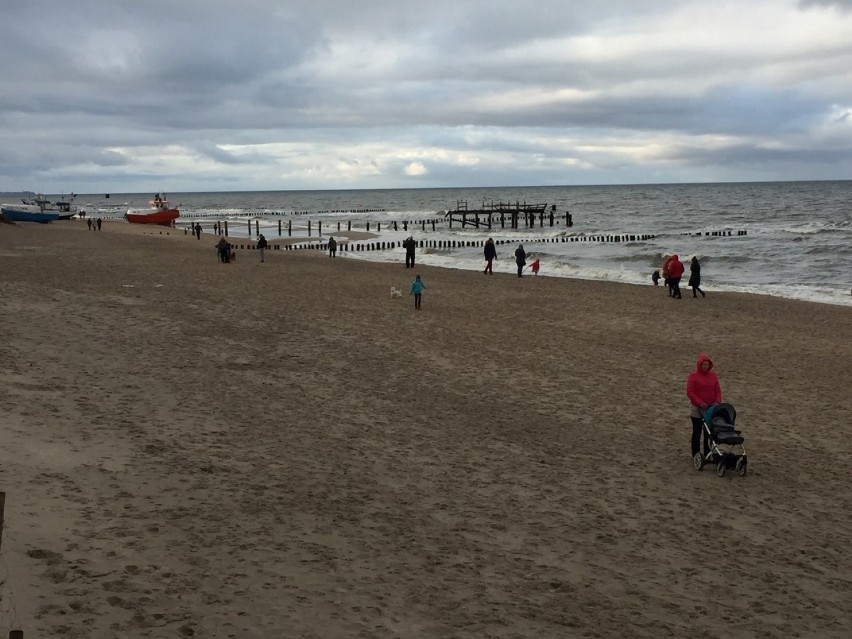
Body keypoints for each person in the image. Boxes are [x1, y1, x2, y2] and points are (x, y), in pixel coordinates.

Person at [686, 353, 723, 460]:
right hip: (697, 408)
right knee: (697, 432)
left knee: (708, 432)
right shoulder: (693, 376)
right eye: (703, 365)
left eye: (707, 364)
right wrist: (700, 402)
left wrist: (717, 402)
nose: (705, 367)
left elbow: (718, 391)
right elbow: (690, 393)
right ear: (699, 365)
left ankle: (708, 453)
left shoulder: (713, 376)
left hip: (710, 408)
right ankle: (696, 454)